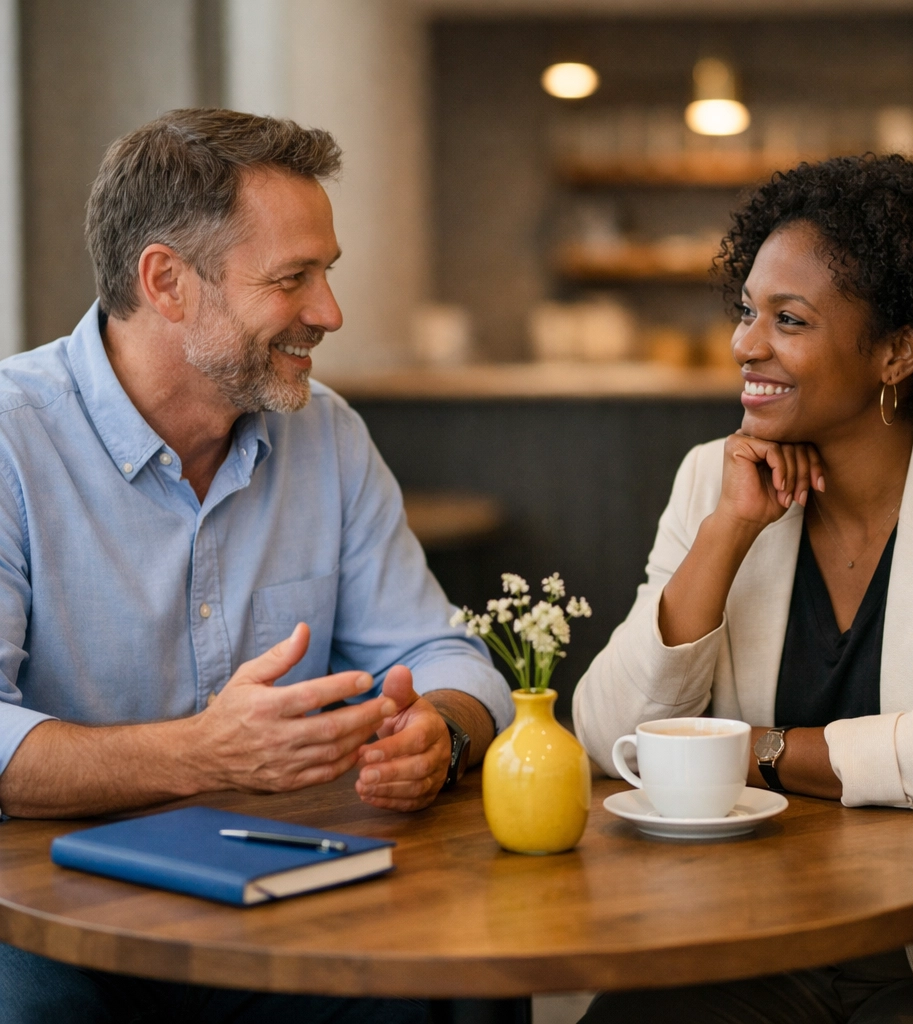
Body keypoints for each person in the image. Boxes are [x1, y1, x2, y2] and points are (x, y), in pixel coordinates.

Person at [0, 108, 514, 1023]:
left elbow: (445, 655)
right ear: (166, 281)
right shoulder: (12, 441)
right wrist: (201, 752)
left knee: (469, 979)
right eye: (292, 278)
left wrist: (442, 733)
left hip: (281, 885)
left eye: (327, 273)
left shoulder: (329, 435)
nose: (330, 313)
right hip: (44, 905)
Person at [573, 154, 913, 1024]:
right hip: (748, 939)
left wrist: (743, 751)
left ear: (897, 352)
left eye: (789, 319)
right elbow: (606, 736)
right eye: (747, 311)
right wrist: (727, 532)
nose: (745, 344)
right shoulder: (714, 479)